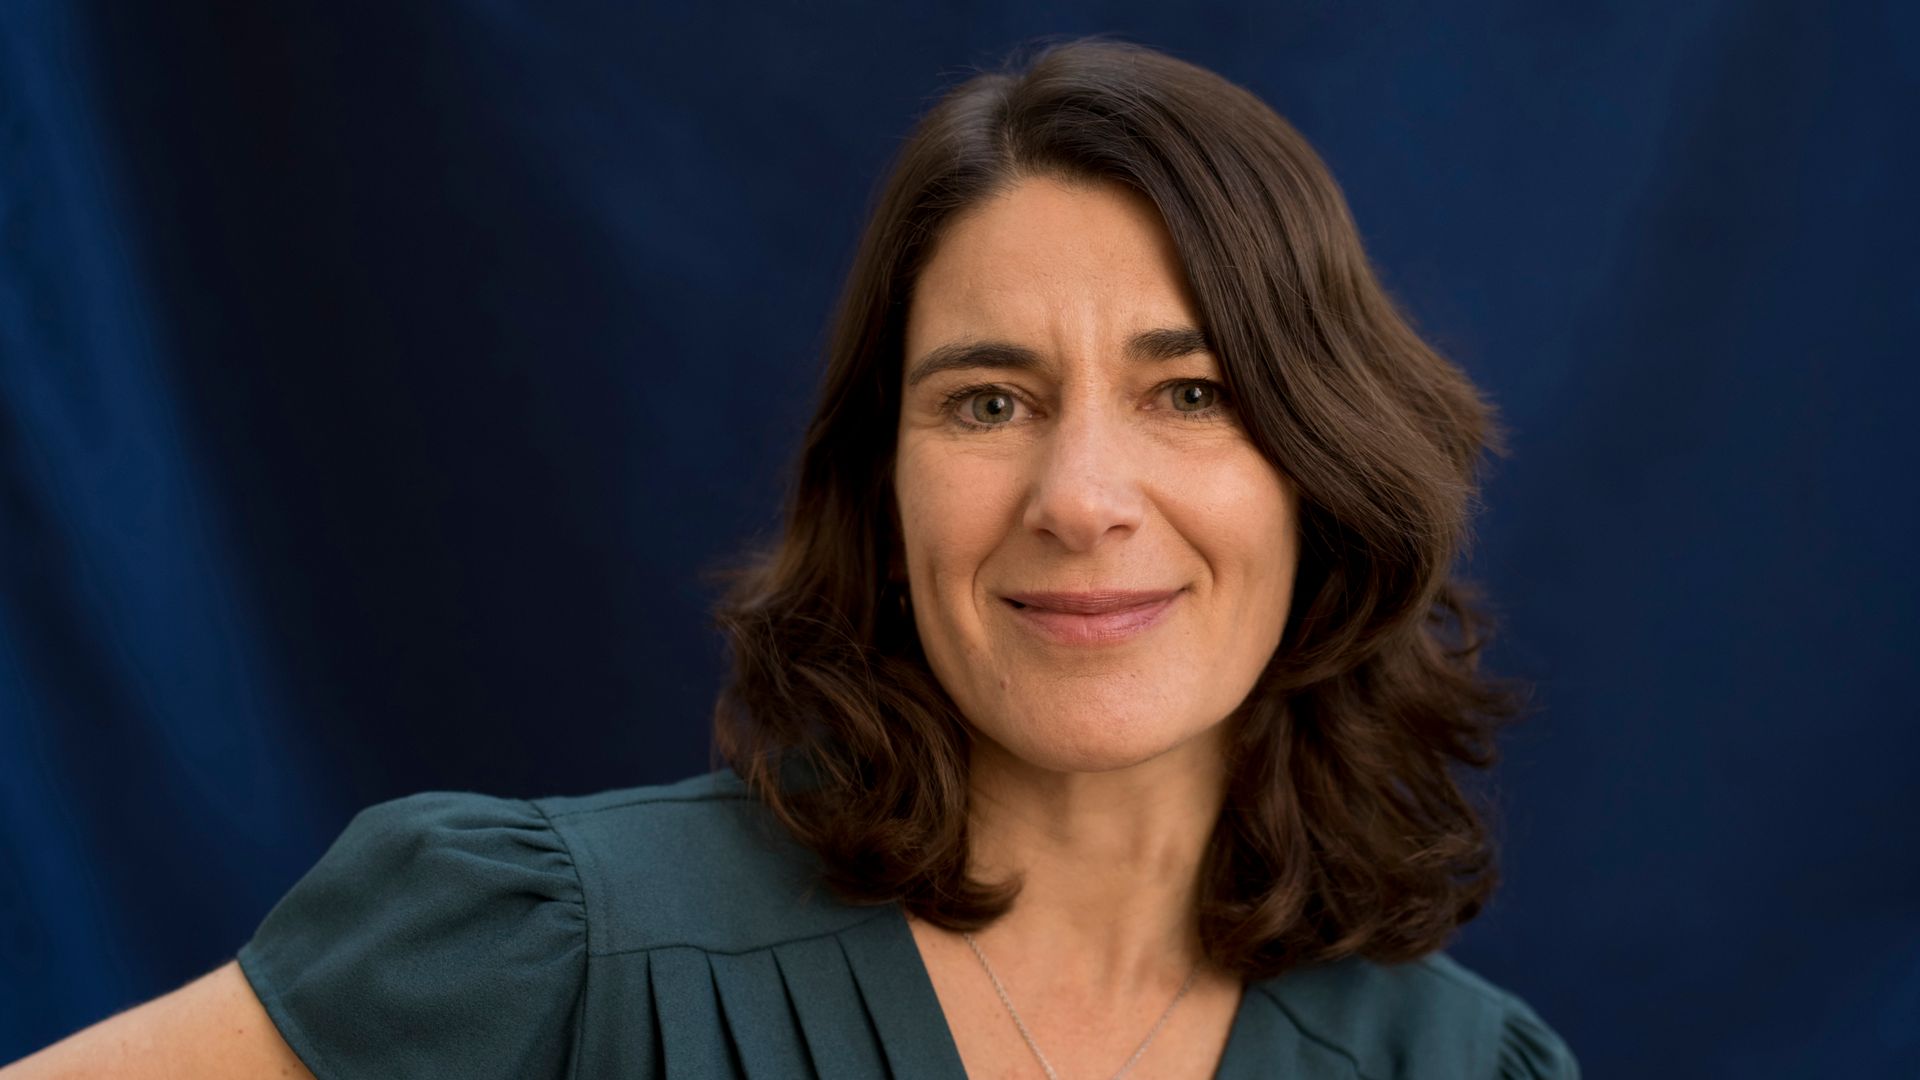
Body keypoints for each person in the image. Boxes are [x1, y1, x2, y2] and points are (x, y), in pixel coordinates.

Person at [3, 37, 1579, 1080]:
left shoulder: (1461, 1066)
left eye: (1191, 393)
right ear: (878, 489)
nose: (1082, 494)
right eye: (987, 399)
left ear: (1328, 467)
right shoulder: (541, 951)